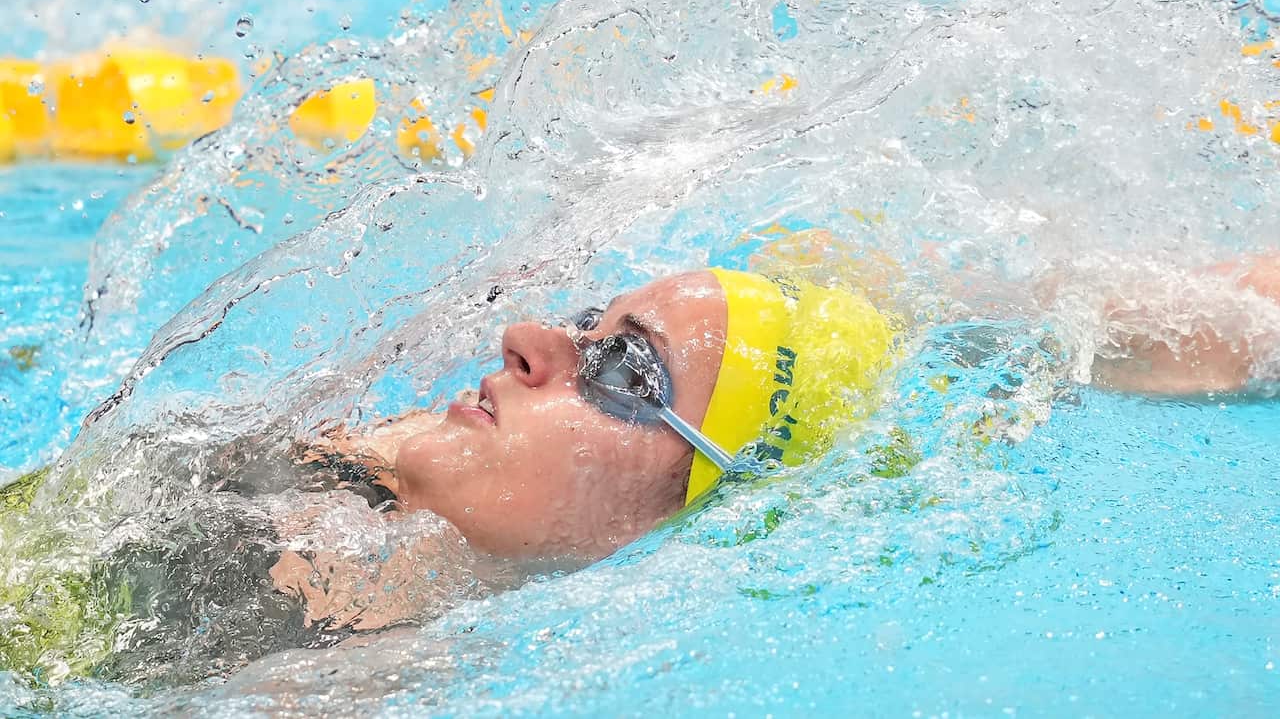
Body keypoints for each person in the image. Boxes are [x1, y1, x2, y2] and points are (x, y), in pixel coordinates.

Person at [270, 252, 1280, 622]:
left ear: (695, 506)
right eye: (586, 324)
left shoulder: (367, 675)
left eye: (627, 369)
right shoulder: (306, 469)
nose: (528, 341)